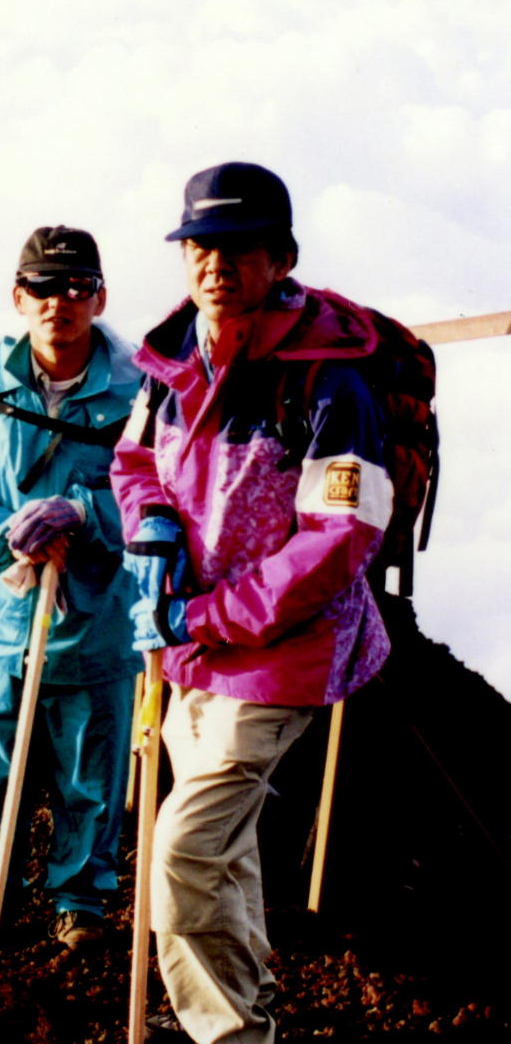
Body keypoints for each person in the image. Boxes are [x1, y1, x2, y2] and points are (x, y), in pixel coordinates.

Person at [110, 163, 392, 1044]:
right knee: (220, 853)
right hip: (191, 646)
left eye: (237, 248)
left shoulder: (332, 383)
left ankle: (228, 1037)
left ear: (281, 260)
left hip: (284, 653)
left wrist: (206, 615)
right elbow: (137, 466)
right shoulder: (172, 364)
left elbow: (344, 536)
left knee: (186, 856)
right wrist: (152, 530)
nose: (214, 264)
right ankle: (251, 1020)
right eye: (199, 246)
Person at [0, 226, 142, 952]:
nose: (60, 303)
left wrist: (86, 514)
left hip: (96, 614)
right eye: (43, 288)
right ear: (19, 297)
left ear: (99, 297)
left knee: (90, 769)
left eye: (77, 287)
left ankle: (81, 900)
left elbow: (160, 490)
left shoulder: (138, 390)